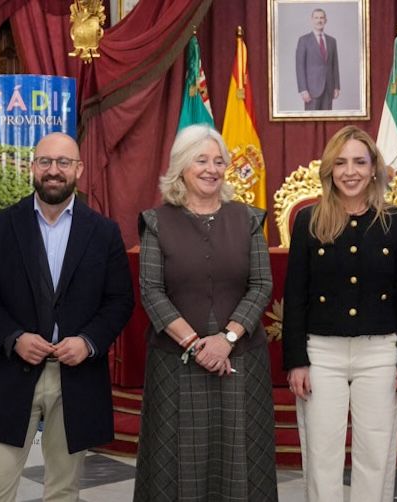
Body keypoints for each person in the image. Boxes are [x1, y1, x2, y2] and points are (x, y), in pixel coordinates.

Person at [0, 132, 134, 502]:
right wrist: (14, 338)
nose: (53, 170)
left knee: (63, 490)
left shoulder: (103, 232)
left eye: (63, 162)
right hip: (11, 372)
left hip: (76, 377)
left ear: (79, 169)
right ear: (33, 167)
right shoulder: (1, 225)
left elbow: (120, 300)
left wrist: (88, 342)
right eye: (45, 161)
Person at [133, 124, 278, 501]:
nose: (212, 169)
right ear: (181, 166)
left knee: (241, 462)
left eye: (219, 161)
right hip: (176, 362)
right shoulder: (156, 222)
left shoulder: (249, 219)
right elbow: (151, 291)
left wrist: (226, 339)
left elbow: (261, 284)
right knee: (177, 466)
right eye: (201, 160)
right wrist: (196, 345)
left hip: (240, 358)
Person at [283, 125, 397, 502]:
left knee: (375, 453)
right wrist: (296, 361)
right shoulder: (309, 220)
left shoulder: (394, 222)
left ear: (374, 167)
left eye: (359, 162)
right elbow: (295, 296)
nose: (350, 171)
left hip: (380, 352)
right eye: (341, 163)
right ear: (329, 169)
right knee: (321, 453)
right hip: (321, 353)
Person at [295, 8, 340, 111]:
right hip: (311, 91)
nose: (319, 20)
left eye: (321, 18)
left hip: (329, 88)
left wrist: (336, 86)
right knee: (312, 119)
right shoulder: (304, 40)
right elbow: (299, 66)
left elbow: (335, 65)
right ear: (312, 20)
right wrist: (303, 89)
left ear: (325, 20)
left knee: (327, 119)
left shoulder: (332, 41)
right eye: (316, 18)